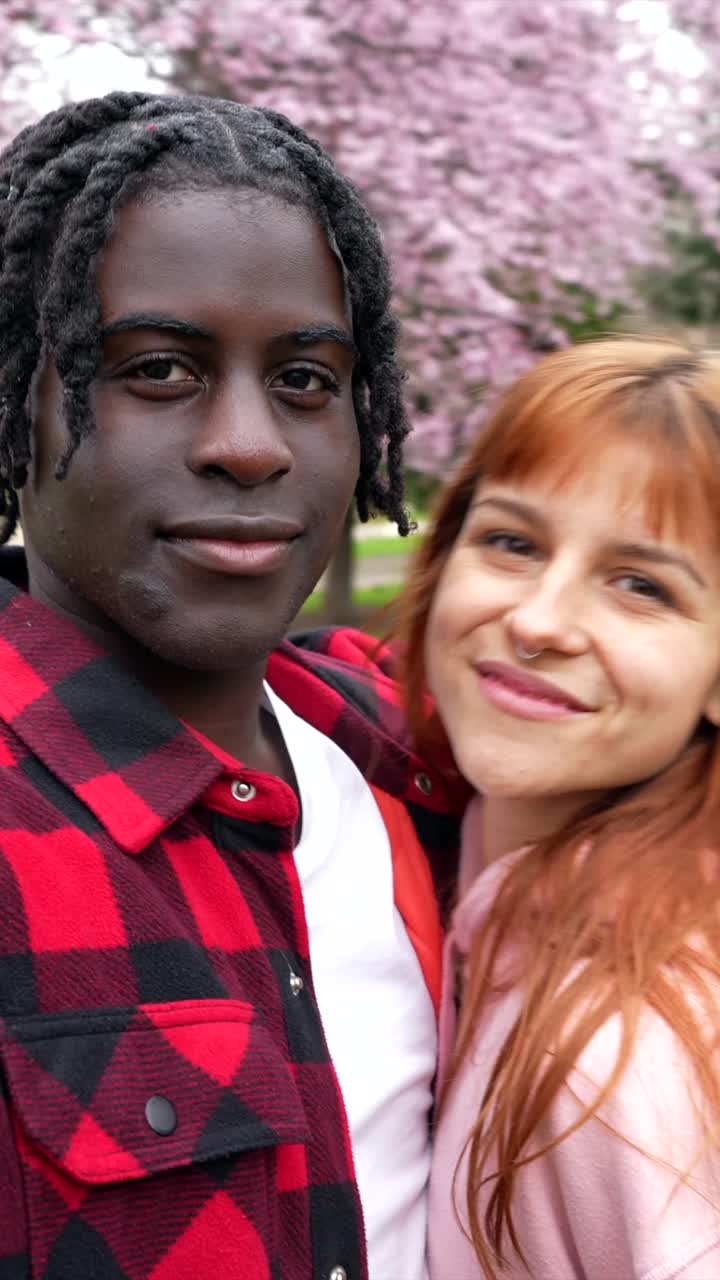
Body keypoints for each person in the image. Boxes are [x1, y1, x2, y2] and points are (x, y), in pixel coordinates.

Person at [0, 91, 463, 1280]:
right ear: (19, 404)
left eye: (308, 380)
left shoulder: (421, 757)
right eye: (159, 369)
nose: (250, 443)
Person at [395, 337, 720, 1279]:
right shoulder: (457, 878)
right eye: (512, 541)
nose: (539, 620)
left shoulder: (626, 1058)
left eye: (641, 585)